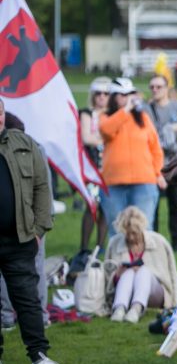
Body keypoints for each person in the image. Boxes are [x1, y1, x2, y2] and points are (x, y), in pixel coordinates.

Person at [0, 97, 67, 364]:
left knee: (28, 300)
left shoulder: (24, 144)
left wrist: (39, 229)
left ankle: (39, 359)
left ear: (3, 114)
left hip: (20, 240)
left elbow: (42, 187)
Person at [99, 78, 165, 238]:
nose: (128, 97)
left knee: (144, 230)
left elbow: (155, 148)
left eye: (130, 93)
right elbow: (107, 130)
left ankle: (144, 263)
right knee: (117, 232)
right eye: (123, 94)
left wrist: (157, 173)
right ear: (114, 97)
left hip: (143, 182)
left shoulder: (143, 117)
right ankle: (119, 263)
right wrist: (125, 110)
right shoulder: (106, 117)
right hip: (113, 184)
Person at [106, 206, 177, 323]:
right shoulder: (114, 243)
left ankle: (136, 310)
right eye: (127, 234)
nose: (131, 237)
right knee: (129, 272)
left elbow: (173, 273)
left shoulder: (159, 242)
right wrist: (117, 275)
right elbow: (106, 277)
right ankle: (119, 308)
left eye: (134, 233)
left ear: (142, 229)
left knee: (143, 271)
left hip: (155, 292)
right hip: (124, 290)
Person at [148, 74, 177, 252]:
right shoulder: (147, 109)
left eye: (158, 87)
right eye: (152, 87)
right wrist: (171, 128)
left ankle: (176, 241)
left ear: (167, 88)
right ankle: (154, 241)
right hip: (153, 163)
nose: (155, 90)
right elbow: (148, 134)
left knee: (175, 204)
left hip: (173, 163)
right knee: (153, 205)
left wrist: (168, 132)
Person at [78, 76, 111, 254]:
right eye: (98, 93)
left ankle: (100, 247)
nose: (101, 97)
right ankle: (84, 247)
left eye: (106, 93)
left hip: (109, 167)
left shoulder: (114, 113)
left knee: (105, 208)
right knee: (91, 206)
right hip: (91, 168)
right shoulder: (87, 113)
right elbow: (86, 138)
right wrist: (105, 139)